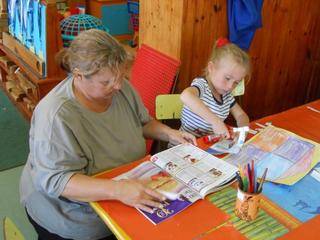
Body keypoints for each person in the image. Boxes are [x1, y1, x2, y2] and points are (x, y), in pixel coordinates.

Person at [19, 29, 196, 240]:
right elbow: (57, 181)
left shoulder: (121, 89)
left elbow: (143, 122)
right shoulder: (56, 116)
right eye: (106, 82)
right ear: (78, 76)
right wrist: (118, 190)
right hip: (70, 214)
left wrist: (170, 134)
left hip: (120, 191)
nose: (118, 85)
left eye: (120, 76)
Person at [179, 37, 251, 139]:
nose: (230, 86)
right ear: (211, 68)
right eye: (227, 78)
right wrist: (215, 121)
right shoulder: (202, 86)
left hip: (207, 148)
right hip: (184, 145)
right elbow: (186, 96)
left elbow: (241, 116)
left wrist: (242, 131)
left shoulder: (226, 96)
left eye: (236, 83)